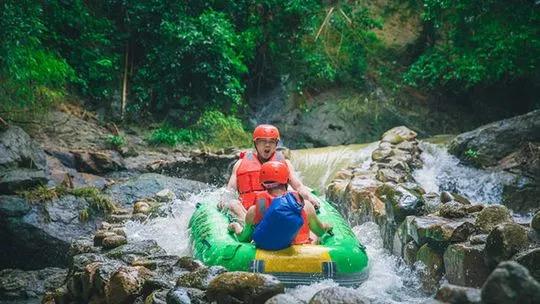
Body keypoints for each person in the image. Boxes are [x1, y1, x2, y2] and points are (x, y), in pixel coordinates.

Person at [218, 124, 320, 221]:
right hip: (248, 213)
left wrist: (310, 198)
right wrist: (224, 201)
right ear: (256, 143)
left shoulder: (285, 164)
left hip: (278, 210)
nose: (267, 145)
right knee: (233, 204)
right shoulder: (240, 164)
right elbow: (230, 191)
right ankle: (249, 230)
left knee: (304, 203)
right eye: (263, 141)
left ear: (276, 144)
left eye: (272, 141)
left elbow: (298, 187)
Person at [228, 161, 331, 250]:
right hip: (300, 254)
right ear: (287, 181)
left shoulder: (254, 211)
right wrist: (328, 226)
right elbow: (320, 232)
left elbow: (244, 238)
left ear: (262, 183)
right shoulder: (305, 206)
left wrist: (235, 227)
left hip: (266, 257)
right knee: (314, 233)